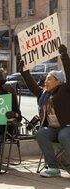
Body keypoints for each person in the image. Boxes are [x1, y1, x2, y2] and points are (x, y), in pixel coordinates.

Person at [19, 44, 70, 177]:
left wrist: (64, 56)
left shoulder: (64, 90)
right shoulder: (44, 94)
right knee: (41, 133)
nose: (45, 81)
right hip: (52, 129)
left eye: (49, 79)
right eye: (46, 79)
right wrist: (24, 71)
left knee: (63, 135)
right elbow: (32, 86)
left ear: (58, 82)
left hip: (66, 127)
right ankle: (53, 167)